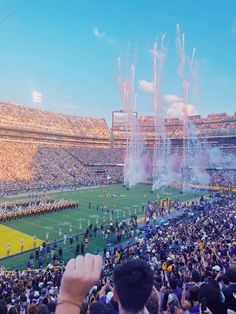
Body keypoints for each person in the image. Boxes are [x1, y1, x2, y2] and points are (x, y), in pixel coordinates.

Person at [56, 254, 153, 314]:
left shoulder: (105, 308)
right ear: (149, 296)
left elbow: (101, 294)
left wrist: (69, 299)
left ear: (115, 295)